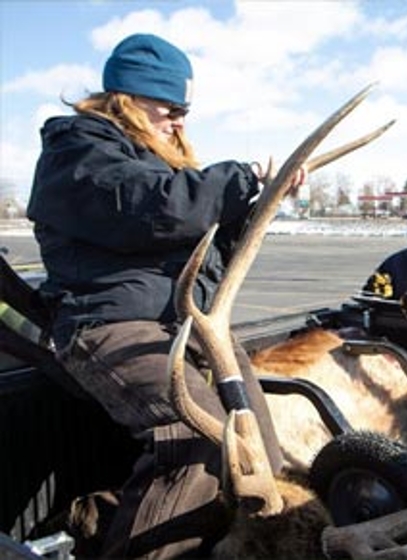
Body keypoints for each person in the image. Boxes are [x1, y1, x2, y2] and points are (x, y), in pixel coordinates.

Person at [26, 33, 300, 558]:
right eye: (170, 109)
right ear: (128, 99)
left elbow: (202, 247)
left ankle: (105, 518)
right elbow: (155, 209)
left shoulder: (152, 162)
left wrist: (259, 203)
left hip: (181, 324)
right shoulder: (77, 153)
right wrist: (240, 179)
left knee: (258, 450)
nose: (179, 122)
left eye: (185, 111)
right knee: (198, 439)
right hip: (110, 324)